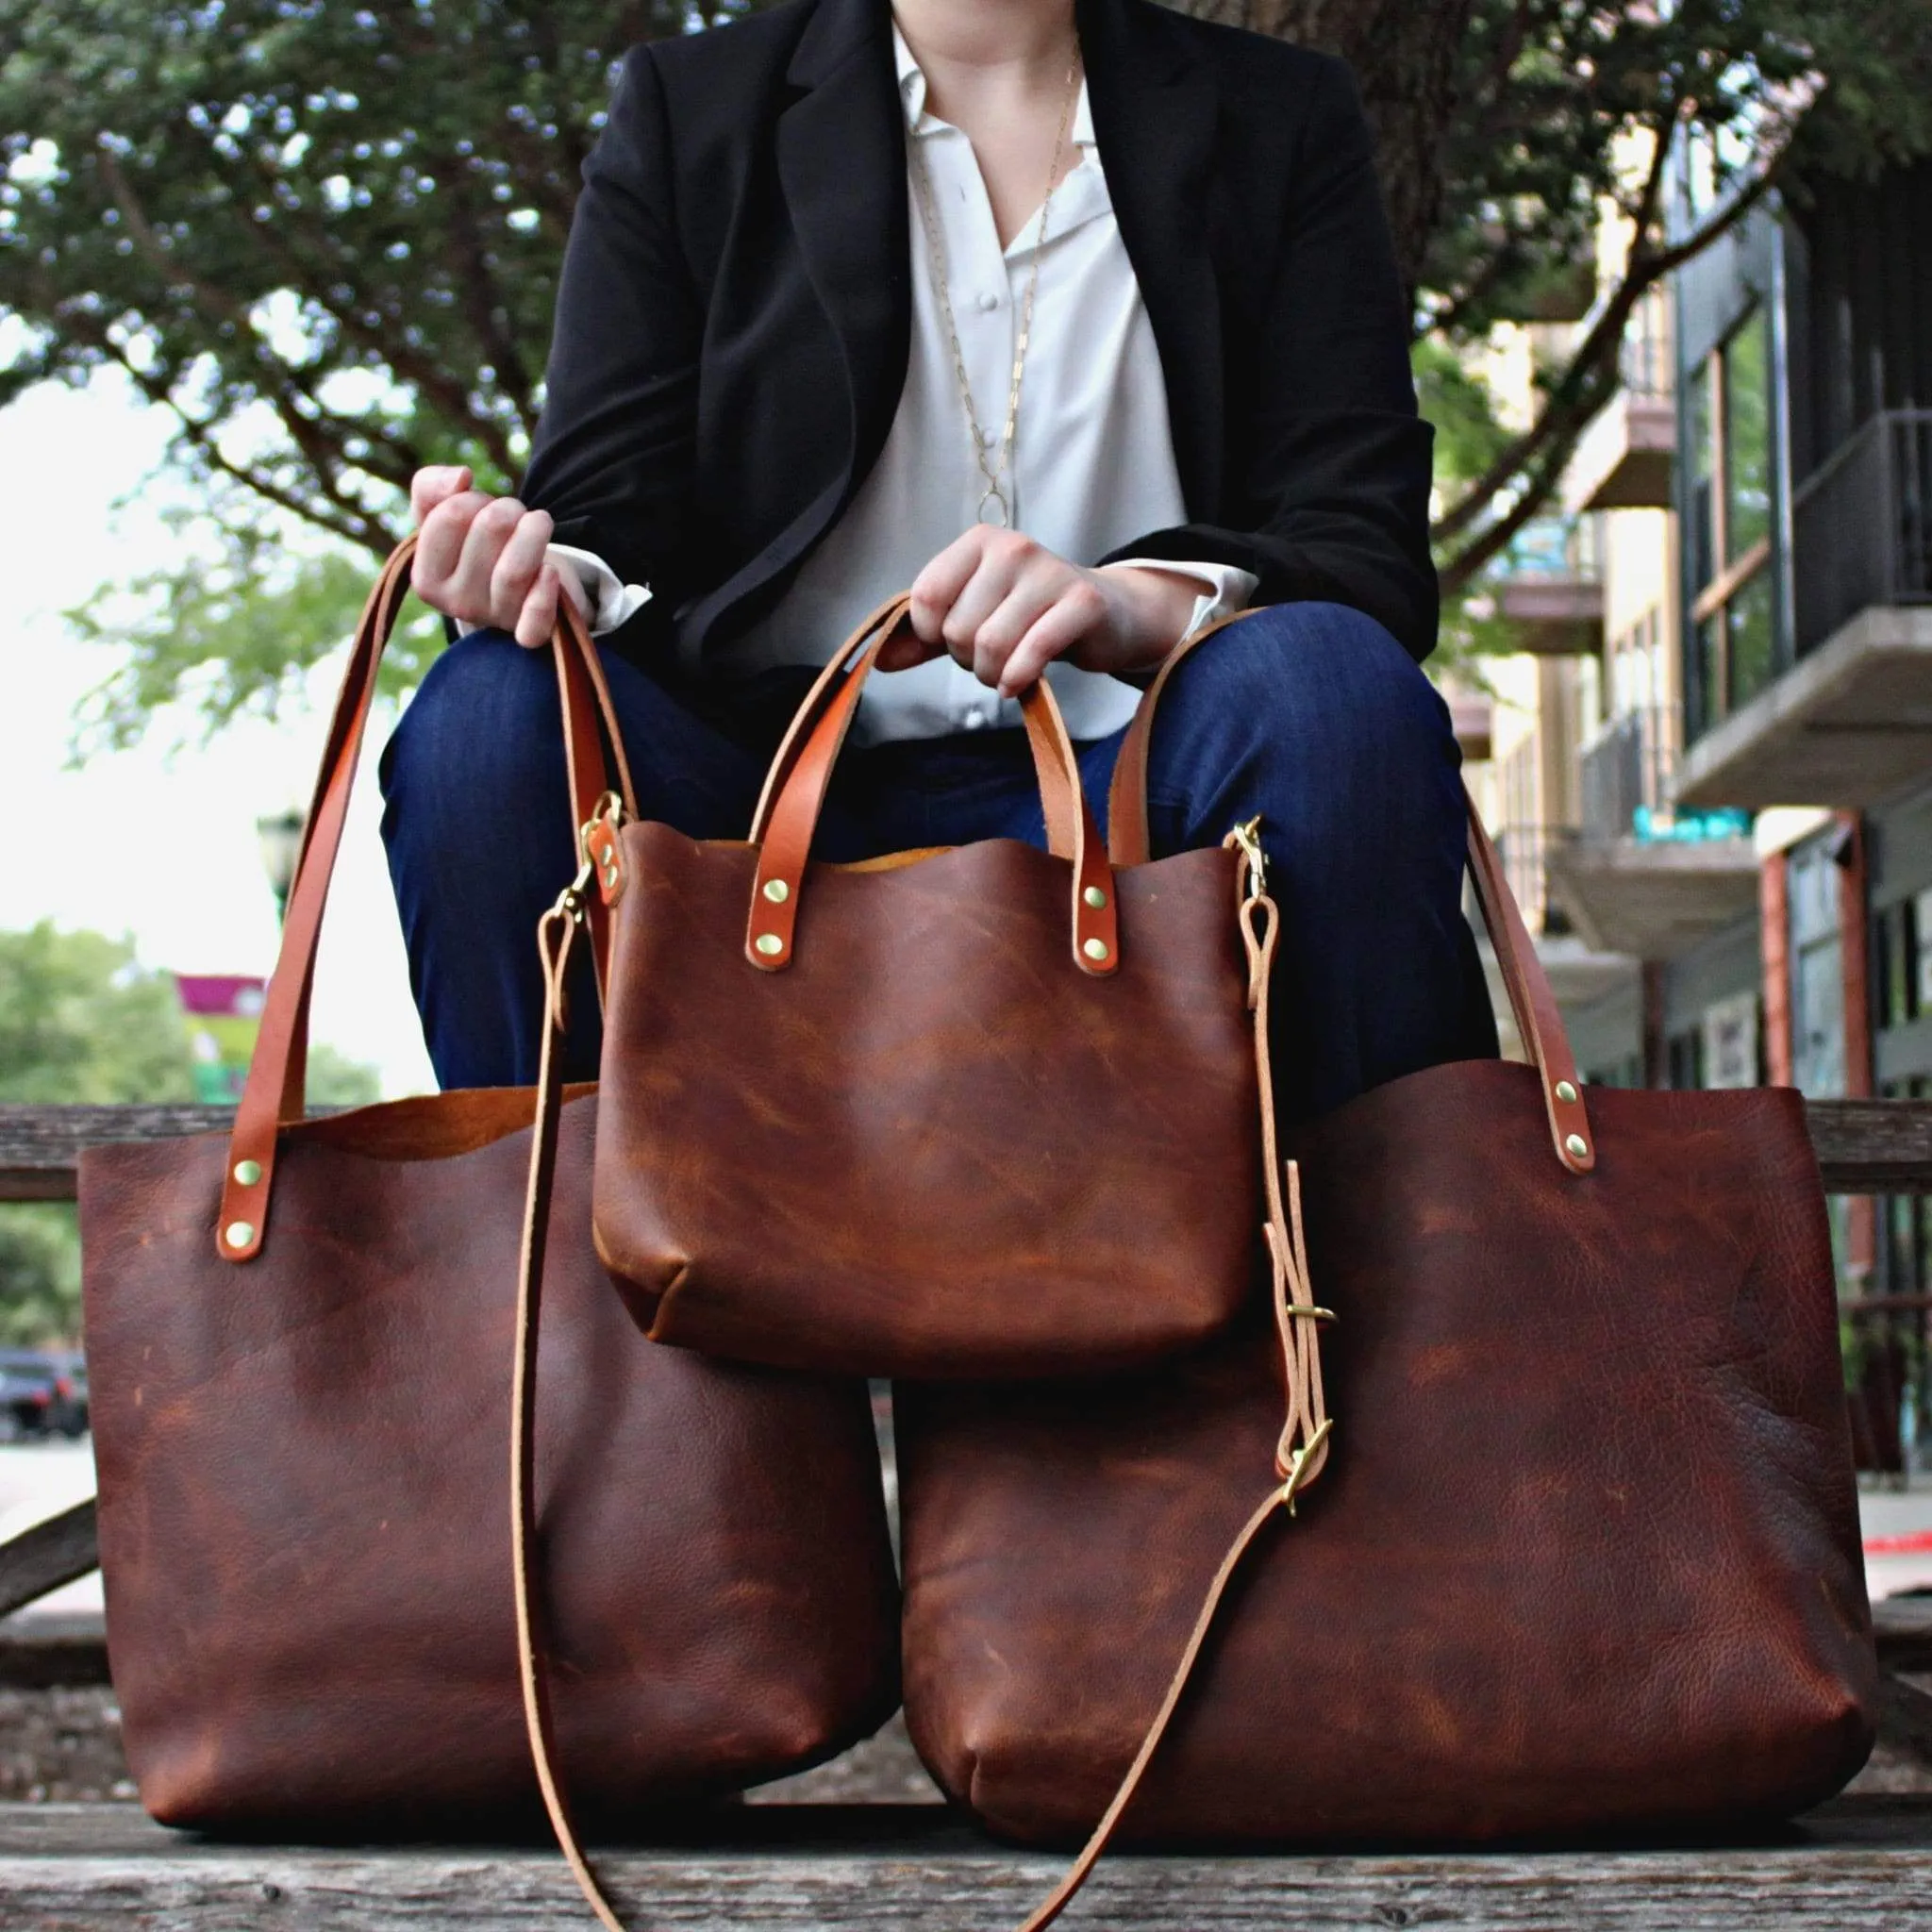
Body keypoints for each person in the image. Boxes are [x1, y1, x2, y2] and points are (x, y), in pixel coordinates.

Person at [381, 0, 1499, 1111]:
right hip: (753, 804)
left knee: (1329, 693)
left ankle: (1376, 1260)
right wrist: (527, 570)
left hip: (1149, 796)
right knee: (490, 713)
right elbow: (598, 513)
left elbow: (1361, 549)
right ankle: (539, 1268)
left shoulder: (1274, 114)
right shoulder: (692, 111)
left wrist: (1130, 603)